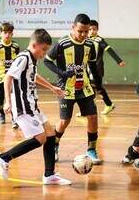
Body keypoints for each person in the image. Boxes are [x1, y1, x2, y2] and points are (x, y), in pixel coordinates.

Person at [0, 28, 71, 185]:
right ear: (35, 45)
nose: (44, 54)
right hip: (23, 105)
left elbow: (33, 76)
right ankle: (3, 157)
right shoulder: (23, 57)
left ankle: (49, 175)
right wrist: (7, 101)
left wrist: (51, 87)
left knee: (50, 134)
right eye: (44, 50)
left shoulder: (31, 59)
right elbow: (8, 77)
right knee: (40, 138)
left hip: (32, 103)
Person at [44, 13, 103, 165]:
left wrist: (98, 84)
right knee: (65, 121)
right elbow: (47, 61)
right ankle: (54, 145)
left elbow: (92, 66)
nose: (83, 34)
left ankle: (91, 149)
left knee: (93, 117)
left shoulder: (90, 45)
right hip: (66, 88)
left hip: (84, 87)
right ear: (73, 28)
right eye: (80, 31)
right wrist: (62, 73)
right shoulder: (62, 43)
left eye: (86, 31)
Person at [86, 19, 126, 115]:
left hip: (97, 68)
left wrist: (119, 60)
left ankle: (107, 104)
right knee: (90, 87)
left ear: (97, 29)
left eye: (94, 29)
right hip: (86, 69)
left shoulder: (99, 40)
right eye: (90, 29)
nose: (92, 31)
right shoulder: (85, 39)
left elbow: (109, 50)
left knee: (96, 87)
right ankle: (92, 108)